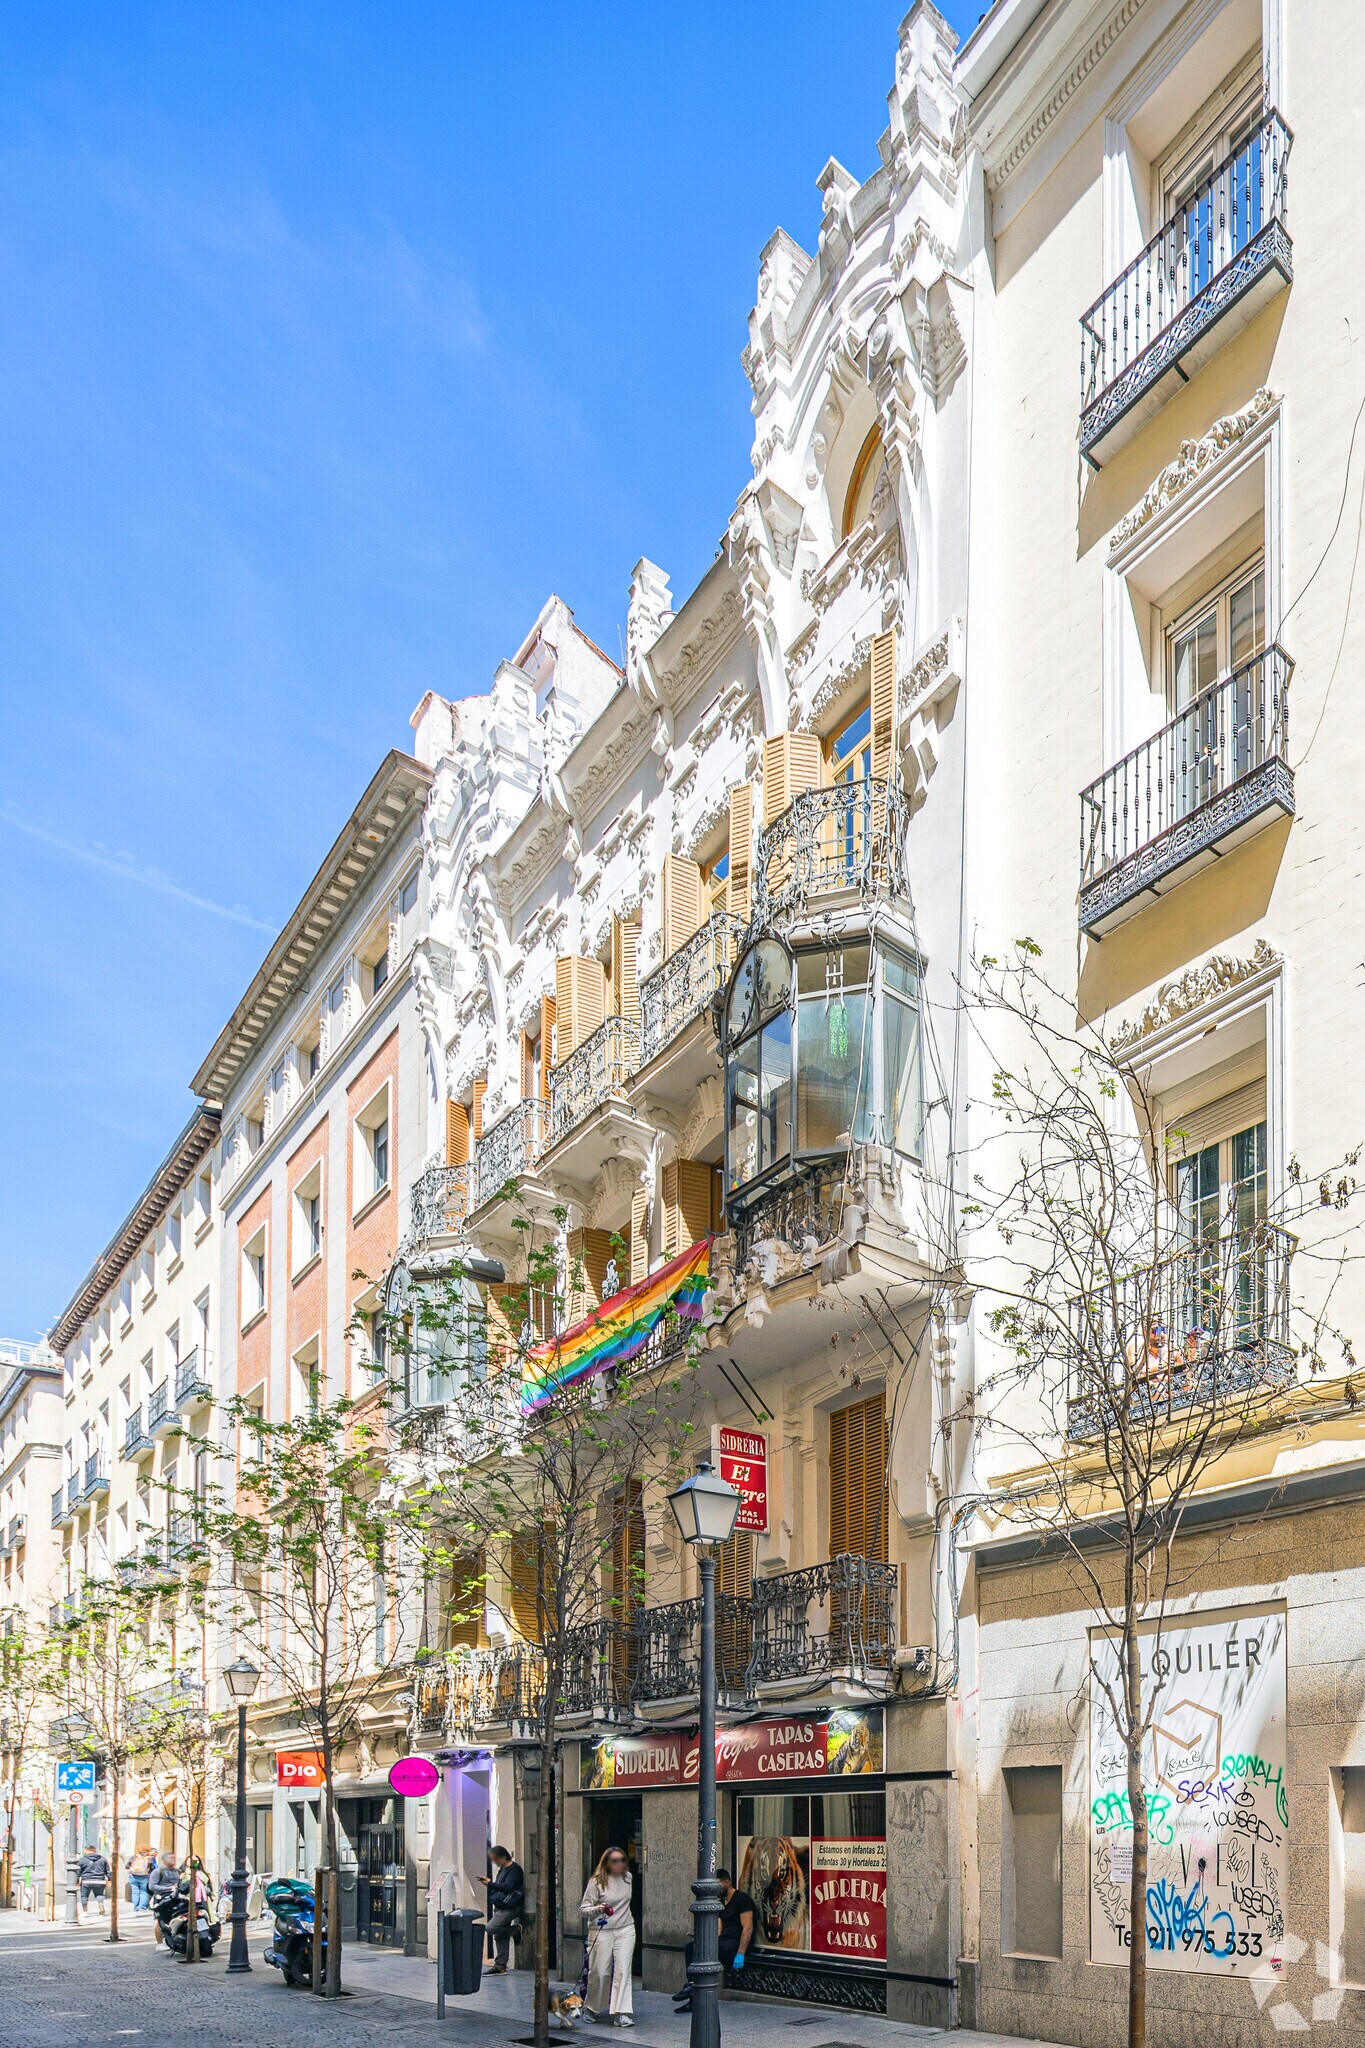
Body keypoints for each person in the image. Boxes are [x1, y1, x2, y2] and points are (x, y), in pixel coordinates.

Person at [672, 1869, 757, 2014]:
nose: (715, 1889)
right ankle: (692, 1991)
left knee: (700, 1951)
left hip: (735, 1946)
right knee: (692, 1948)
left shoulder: (742, 1899)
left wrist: (740, 1953)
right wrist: (700, 1939)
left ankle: (692, 1988)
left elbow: (748, 1928)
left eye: (717, 1885)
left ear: (727, 1882)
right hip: (723, 1943)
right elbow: (718, 1931)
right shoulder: (721, 1902)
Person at [581, 1846, 635, 2028]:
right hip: (601, 1930)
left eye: (622, 1860)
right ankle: (591, 2007)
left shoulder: (628, 1878)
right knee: (600, 1972)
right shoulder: (596, 1882)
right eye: (615, 1860)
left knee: (623, 1970)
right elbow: (583, 1909)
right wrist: (598, 1908)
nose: (619, 1864)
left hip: (626, 1928)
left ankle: (621, 2013)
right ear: (606, 1863)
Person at [478, 1844, 525, 1974]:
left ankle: (515, 1930)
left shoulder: (514, 1869)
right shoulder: (503, 1869)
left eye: (496, 1859)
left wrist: (490, 1884)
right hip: (500, 1905)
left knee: (491, 1927)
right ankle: (500, 1965)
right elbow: (500, 1887)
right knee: (499, 1936)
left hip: (511, 1906)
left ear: (503, 1857)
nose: (495, 1862)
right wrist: (490, 1883)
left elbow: (508, 1887)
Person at [148, 1852, 179, 1946]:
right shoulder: (158, 1871)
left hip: (174, 1898)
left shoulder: (177, 1871)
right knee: (160, 1921)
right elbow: (152, 1886)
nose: (174, 1859)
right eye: (171, 1858)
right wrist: (169, 1888)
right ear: (165, 1860)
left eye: (174, 1857)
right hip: (161, 1899)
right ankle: (160, 1943)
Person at [76, 1844, 111, 1920]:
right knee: (99, 1894)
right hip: (100, 1881)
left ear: (85, 1851)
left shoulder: (82, 1860)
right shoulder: (102, 1859)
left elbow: (78, 1872)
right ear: (94, 1850)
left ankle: (85, 1912)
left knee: (84, 1896)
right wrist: (109, 1880)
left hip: (86, 1881)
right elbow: (108, 1871)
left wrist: (77, 1881)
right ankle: (100, 1903)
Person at [126, 1844, 153, 1915]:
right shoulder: (149, 1858)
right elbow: (152, 1868)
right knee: (144, 1891)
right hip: (144, 1876)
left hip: (133, 1876)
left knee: (135, 1892)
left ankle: (135, 1907)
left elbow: (127, 1866)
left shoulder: (134, 1857)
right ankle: (142, 1907)